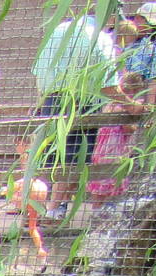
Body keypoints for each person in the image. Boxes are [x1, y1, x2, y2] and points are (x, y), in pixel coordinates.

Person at [29, 5, 118, 212]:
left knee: (48, 155)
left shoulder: (59, 30)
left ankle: (36, 209)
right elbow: (109, 84)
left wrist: (43, 101)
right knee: (72, 158)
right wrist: (131, 105)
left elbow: (38, 71)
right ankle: (53, 209)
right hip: (81, 103)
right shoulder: (101, 37)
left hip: (50, 99)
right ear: (110, 17)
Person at [87, 71, 149, 201]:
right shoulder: (121, 108)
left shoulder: (110, 105)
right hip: (113, 151)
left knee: (101, 183)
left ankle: (96, 210)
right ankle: (101, 211)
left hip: (103, 151)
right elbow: (128, 129)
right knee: (109, 180)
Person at [113, 19, 156, 103]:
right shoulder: (113, 47)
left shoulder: (150, 47)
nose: (149, 29)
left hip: (131, 91)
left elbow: (154, 78)